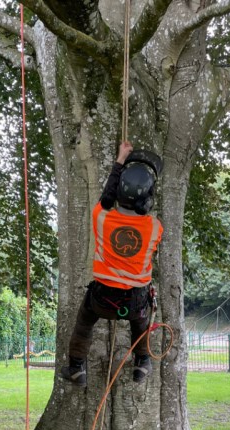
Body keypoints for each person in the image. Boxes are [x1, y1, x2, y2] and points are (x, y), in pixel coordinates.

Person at [61, 141, 164, 387]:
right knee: (140, 322)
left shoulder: (101, 217)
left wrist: (120, 159)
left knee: (84, 322)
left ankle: (76, 367)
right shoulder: (154, 228)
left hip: (102, 299)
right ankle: (142, 361)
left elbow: (106, 197)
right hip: (134, 300)